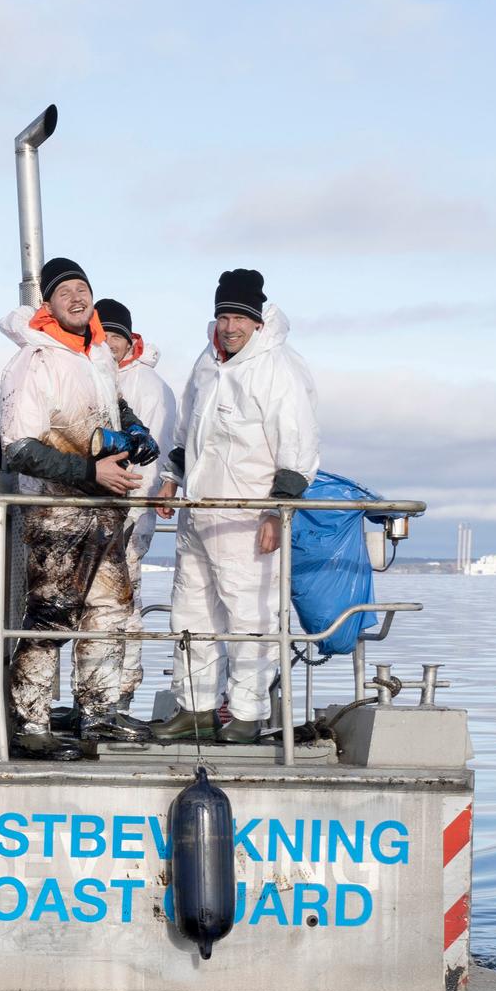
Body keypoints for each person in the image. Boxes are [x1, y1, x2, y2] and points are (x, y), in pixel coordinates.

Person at [0, 257, 147, 757]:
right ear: (48, 306)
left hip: (106, 510)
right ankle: (31, 724)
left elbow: (110, 408)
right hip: (56, 515)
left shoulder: (98, 354)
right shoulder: (34, 361)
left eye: (83, 289)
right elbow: (20, 448)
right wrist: (89, 472)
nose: (77, 299)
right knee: (51, 617)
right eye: (65, 293)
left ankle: (97, 716)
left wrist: (136, 431)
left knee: (110, 612)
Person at [160, 268, 319, 743]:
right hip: (198, 510)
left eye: (239, 317)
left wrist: (277, 511)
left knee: (251, 614)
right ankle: (195, 708)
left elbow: (298, 446)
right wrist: (171, 478)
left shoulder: (279, 370)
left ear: (257, 321)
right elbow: (187, 429)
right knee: (191, 613)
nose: (230, 326)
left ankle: (247, 713)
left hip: (249, 516)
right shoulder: (206, 363)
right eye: (223, 316)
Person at [94, 297, 181, 726]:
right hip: (96, 505)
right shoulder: (92, 374)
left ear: (129, 341)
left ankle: (120, 694)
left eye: (116, 336)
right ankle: (97, 694)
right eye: (103, 333)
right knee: (100, 602)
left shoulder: (148, 386)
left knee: (122, 601)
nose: (109, 342)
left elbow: (158, 447)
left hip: (128, 507)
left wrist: (145, 494)